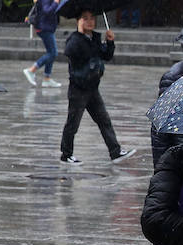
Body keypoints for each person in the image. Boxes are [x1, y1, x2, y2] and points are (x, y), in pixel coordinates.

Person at [59, 10, 137, 166]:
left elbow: (106, 55)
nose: (89, 22)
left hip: (93, 88)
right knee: (73, 123)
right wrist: (80, 35)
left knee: (104, 120)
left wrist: (109, 42)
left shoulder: (94, 37)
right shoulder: (75, 40)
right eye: (85, 19)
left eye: (92, 19)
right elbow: (69, 52)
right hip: (78, 89)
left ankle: (115, 151)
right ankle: (66, 154)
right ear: (78, 21)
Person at [22, 0, 64, 88]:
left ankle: (47, 78)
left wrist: (56, 1)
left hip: (47, 27)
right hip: (44, 28)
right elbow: (46, 11)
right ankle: (32, 70)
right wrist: (55, 3)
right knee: (53, 53)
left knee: (51, 52)